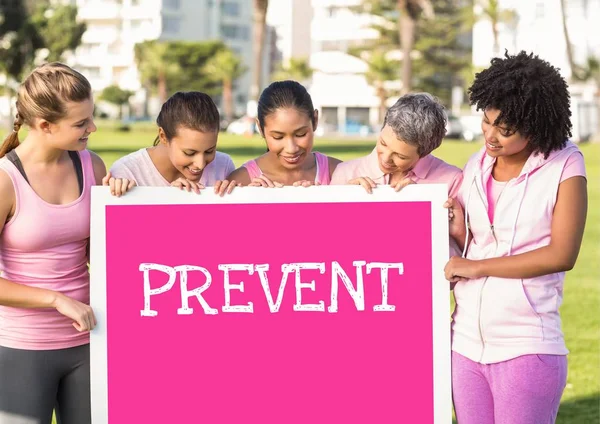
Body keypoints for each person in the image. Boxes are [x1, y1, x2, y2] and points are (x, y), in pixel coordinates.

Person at [445, 51, 587, 424]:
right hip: (464, 345)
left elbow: (561, 254)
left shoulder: (565, 164)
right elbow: (469, 241)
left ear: (536, 127)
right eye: (488, 122)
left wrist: (477, 267)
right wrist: (459, 229)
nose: (491, 136)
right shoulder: (476, 164)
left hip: (527, 345)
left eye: (505, 130)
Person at [0, 62, 113, 424]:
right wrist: (56, 300)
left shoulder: (91, 166)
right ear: (45, 126)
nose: (92, 128)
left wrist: (124, 204)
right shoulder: (6, 181)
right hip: (22, 347)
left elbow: (105, 255)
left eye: (90, 118)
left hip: (90, 339)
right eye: (81, 123)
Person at [109, 91, 236, 196]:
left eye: (209, 151)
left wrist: (242, 193)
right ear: (163, 137)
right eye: (189, 152)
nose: (200, 164)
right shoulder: (127, 172)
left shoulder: (223, 166)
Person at [227, 80, 340, 187]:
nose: (291, 149)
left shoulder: (337, 173)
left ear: (315, 121)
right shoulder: (241, 181)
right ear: (261, 128)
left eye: (300, 134)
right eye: (278, 137)